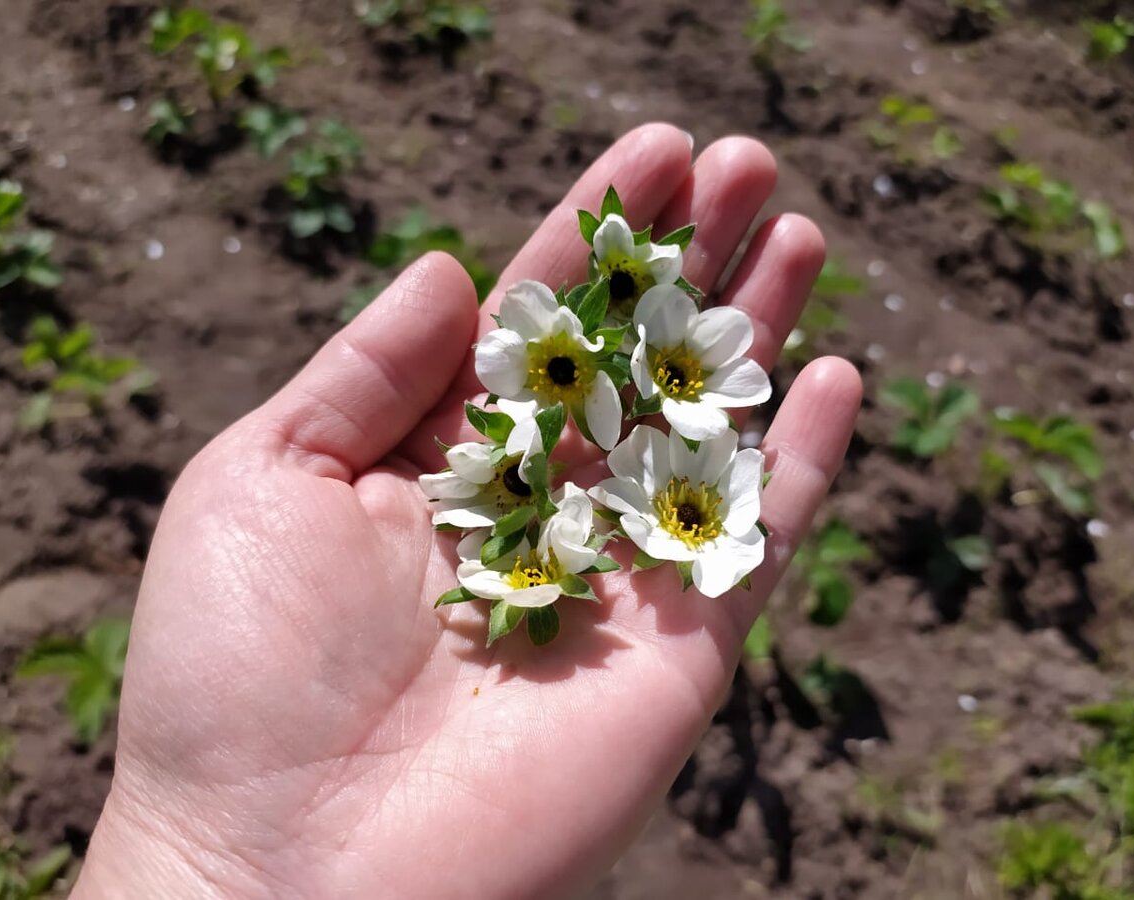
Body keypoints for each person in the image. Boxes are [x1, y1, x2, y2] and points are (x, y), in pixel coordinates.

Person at [70, 124, 861, 899]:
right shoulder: (574, 420)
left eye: (678, 377)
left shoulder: (630, 421)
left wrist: (198, 857)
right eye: (673, 373)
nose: (676, 383)